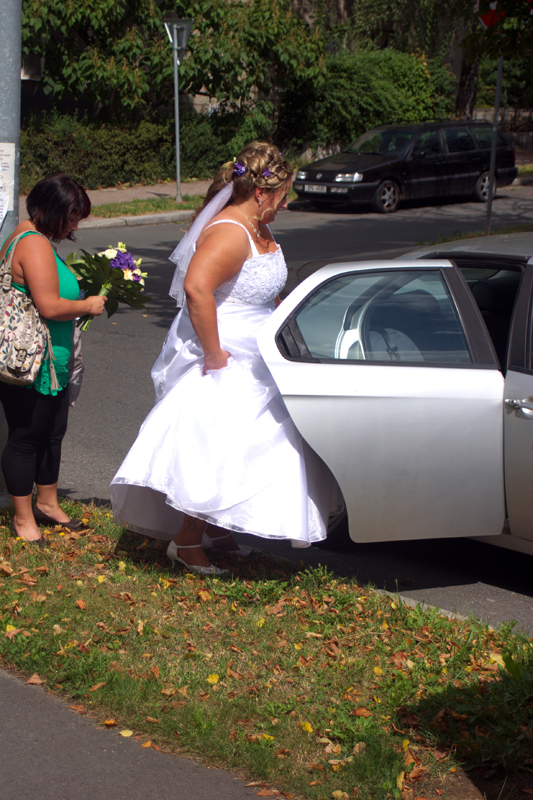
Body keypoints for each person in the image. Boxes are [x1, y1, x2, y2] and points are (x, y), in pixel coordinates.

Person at [110, 142, 340, 574]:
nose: (286, 203)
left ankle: (219, 531)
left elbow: (263, 288)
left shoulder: (258, 226)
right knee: (223, 443)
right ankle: (186, 541)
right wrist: (215, 355)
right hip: (227, 351)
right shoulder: (230, 232)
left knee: (257, 442)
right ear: (261, 192)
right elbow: (197, 288)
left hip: (262, 348)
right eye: (282, 195)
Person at [0, 174, 106, 547]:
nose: (75, 226)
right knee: (26, 437)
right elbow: (48, 305)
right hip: (31, 361)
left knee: (52, 432)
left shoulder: (35, 237)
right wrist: (87, 305)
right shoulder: (32, 243)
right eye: (72, 217)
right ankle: (23, 518)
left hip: (50, 359)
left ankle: (47, 503)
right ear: (51, 210)